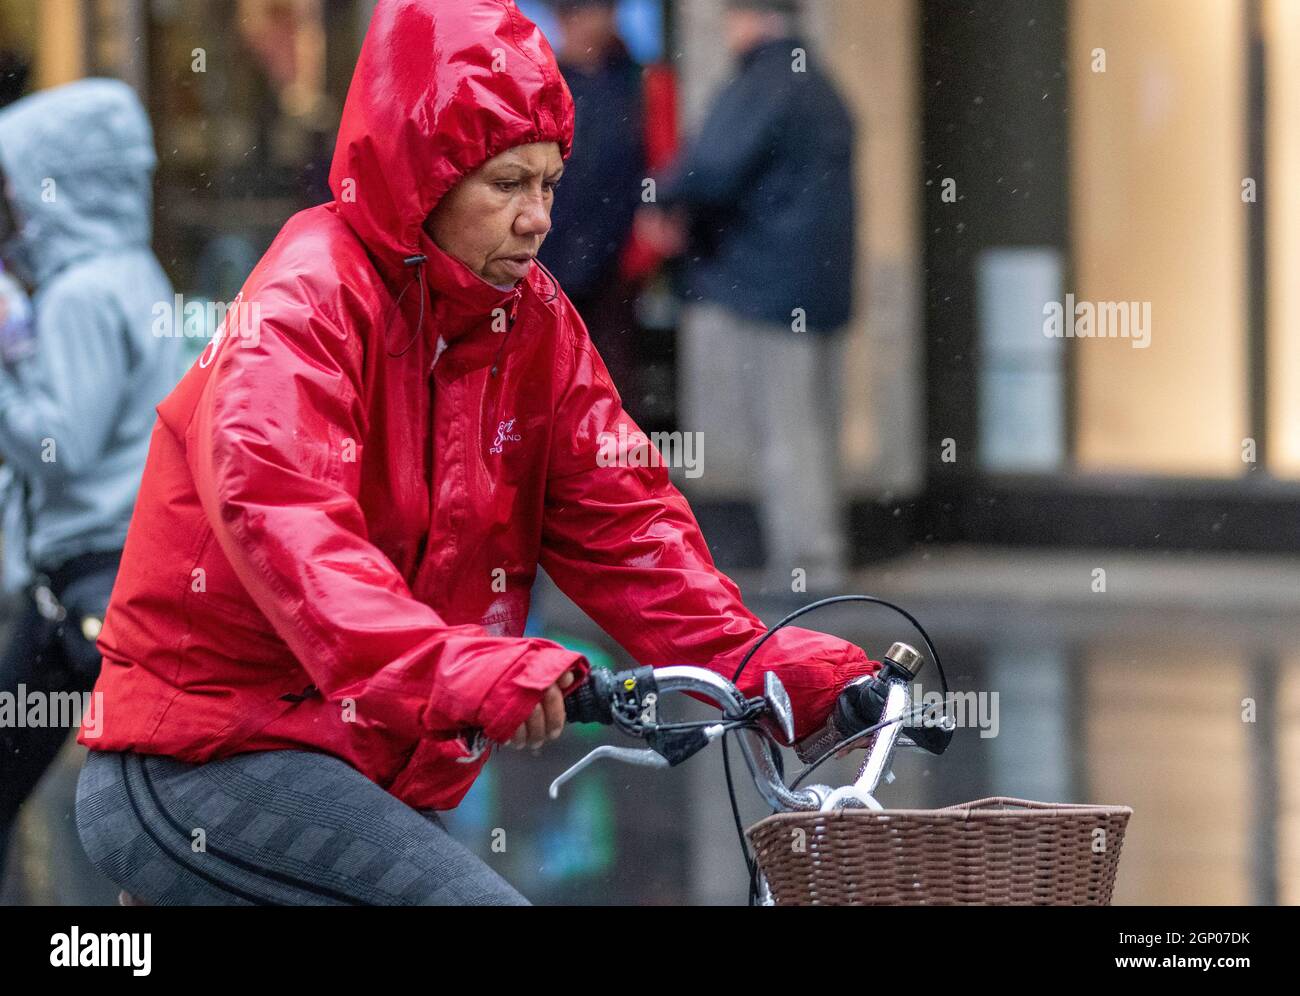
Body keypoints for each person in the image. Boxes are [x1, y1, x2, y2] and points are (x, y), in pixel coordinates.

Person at [73, 0, 877, 907]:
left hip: (366, 760)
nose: (537, 217)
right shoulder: (307, 302)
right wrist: (471, 667)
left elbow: (628, 526)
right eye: (506, 183)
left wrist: (775, 666)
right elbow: (288, 527)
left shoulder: (530, 320)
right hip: (206, 756)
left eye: (549, 182)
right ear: (425, 174)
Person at [0, 79, 182, 873]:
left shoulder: (79, 295)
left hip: (84, 578)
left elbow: (58, 443)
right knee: (158, 797)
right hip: (127, 567)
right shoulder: (133, 272)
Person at [647, 0, 858, 593]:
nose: (728, 32)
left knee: (785, 433)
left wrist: (659, 197)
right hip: (818, 288)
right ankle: (820, 553)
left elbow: (710, 166)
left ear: (758, 19)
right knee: (812, 428)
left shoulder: (765, 82)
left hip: (773, 289)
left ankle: (809, 565)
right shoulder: (818, 84)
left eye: (732, 18)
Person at [538, 0, 646, 409]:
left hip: (615, 259)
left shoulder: (635, 82)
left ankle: (616, 467)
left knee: (611, 379)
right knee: (551, 377)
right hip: (551, 253)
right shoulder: (546, 81)